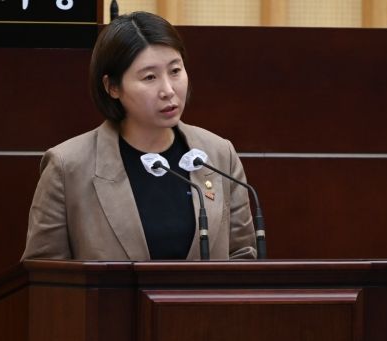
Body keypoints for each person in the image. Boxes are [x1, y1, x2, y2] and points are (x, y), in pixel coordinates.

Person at [22, 11, 256, 261]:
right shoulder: (67, 167)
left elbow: (243, 256)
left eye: (175, 71)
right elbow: (44, 274)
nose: (168, 90)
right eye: (150, 77)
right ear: (112, 87)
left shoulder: (219, 155)